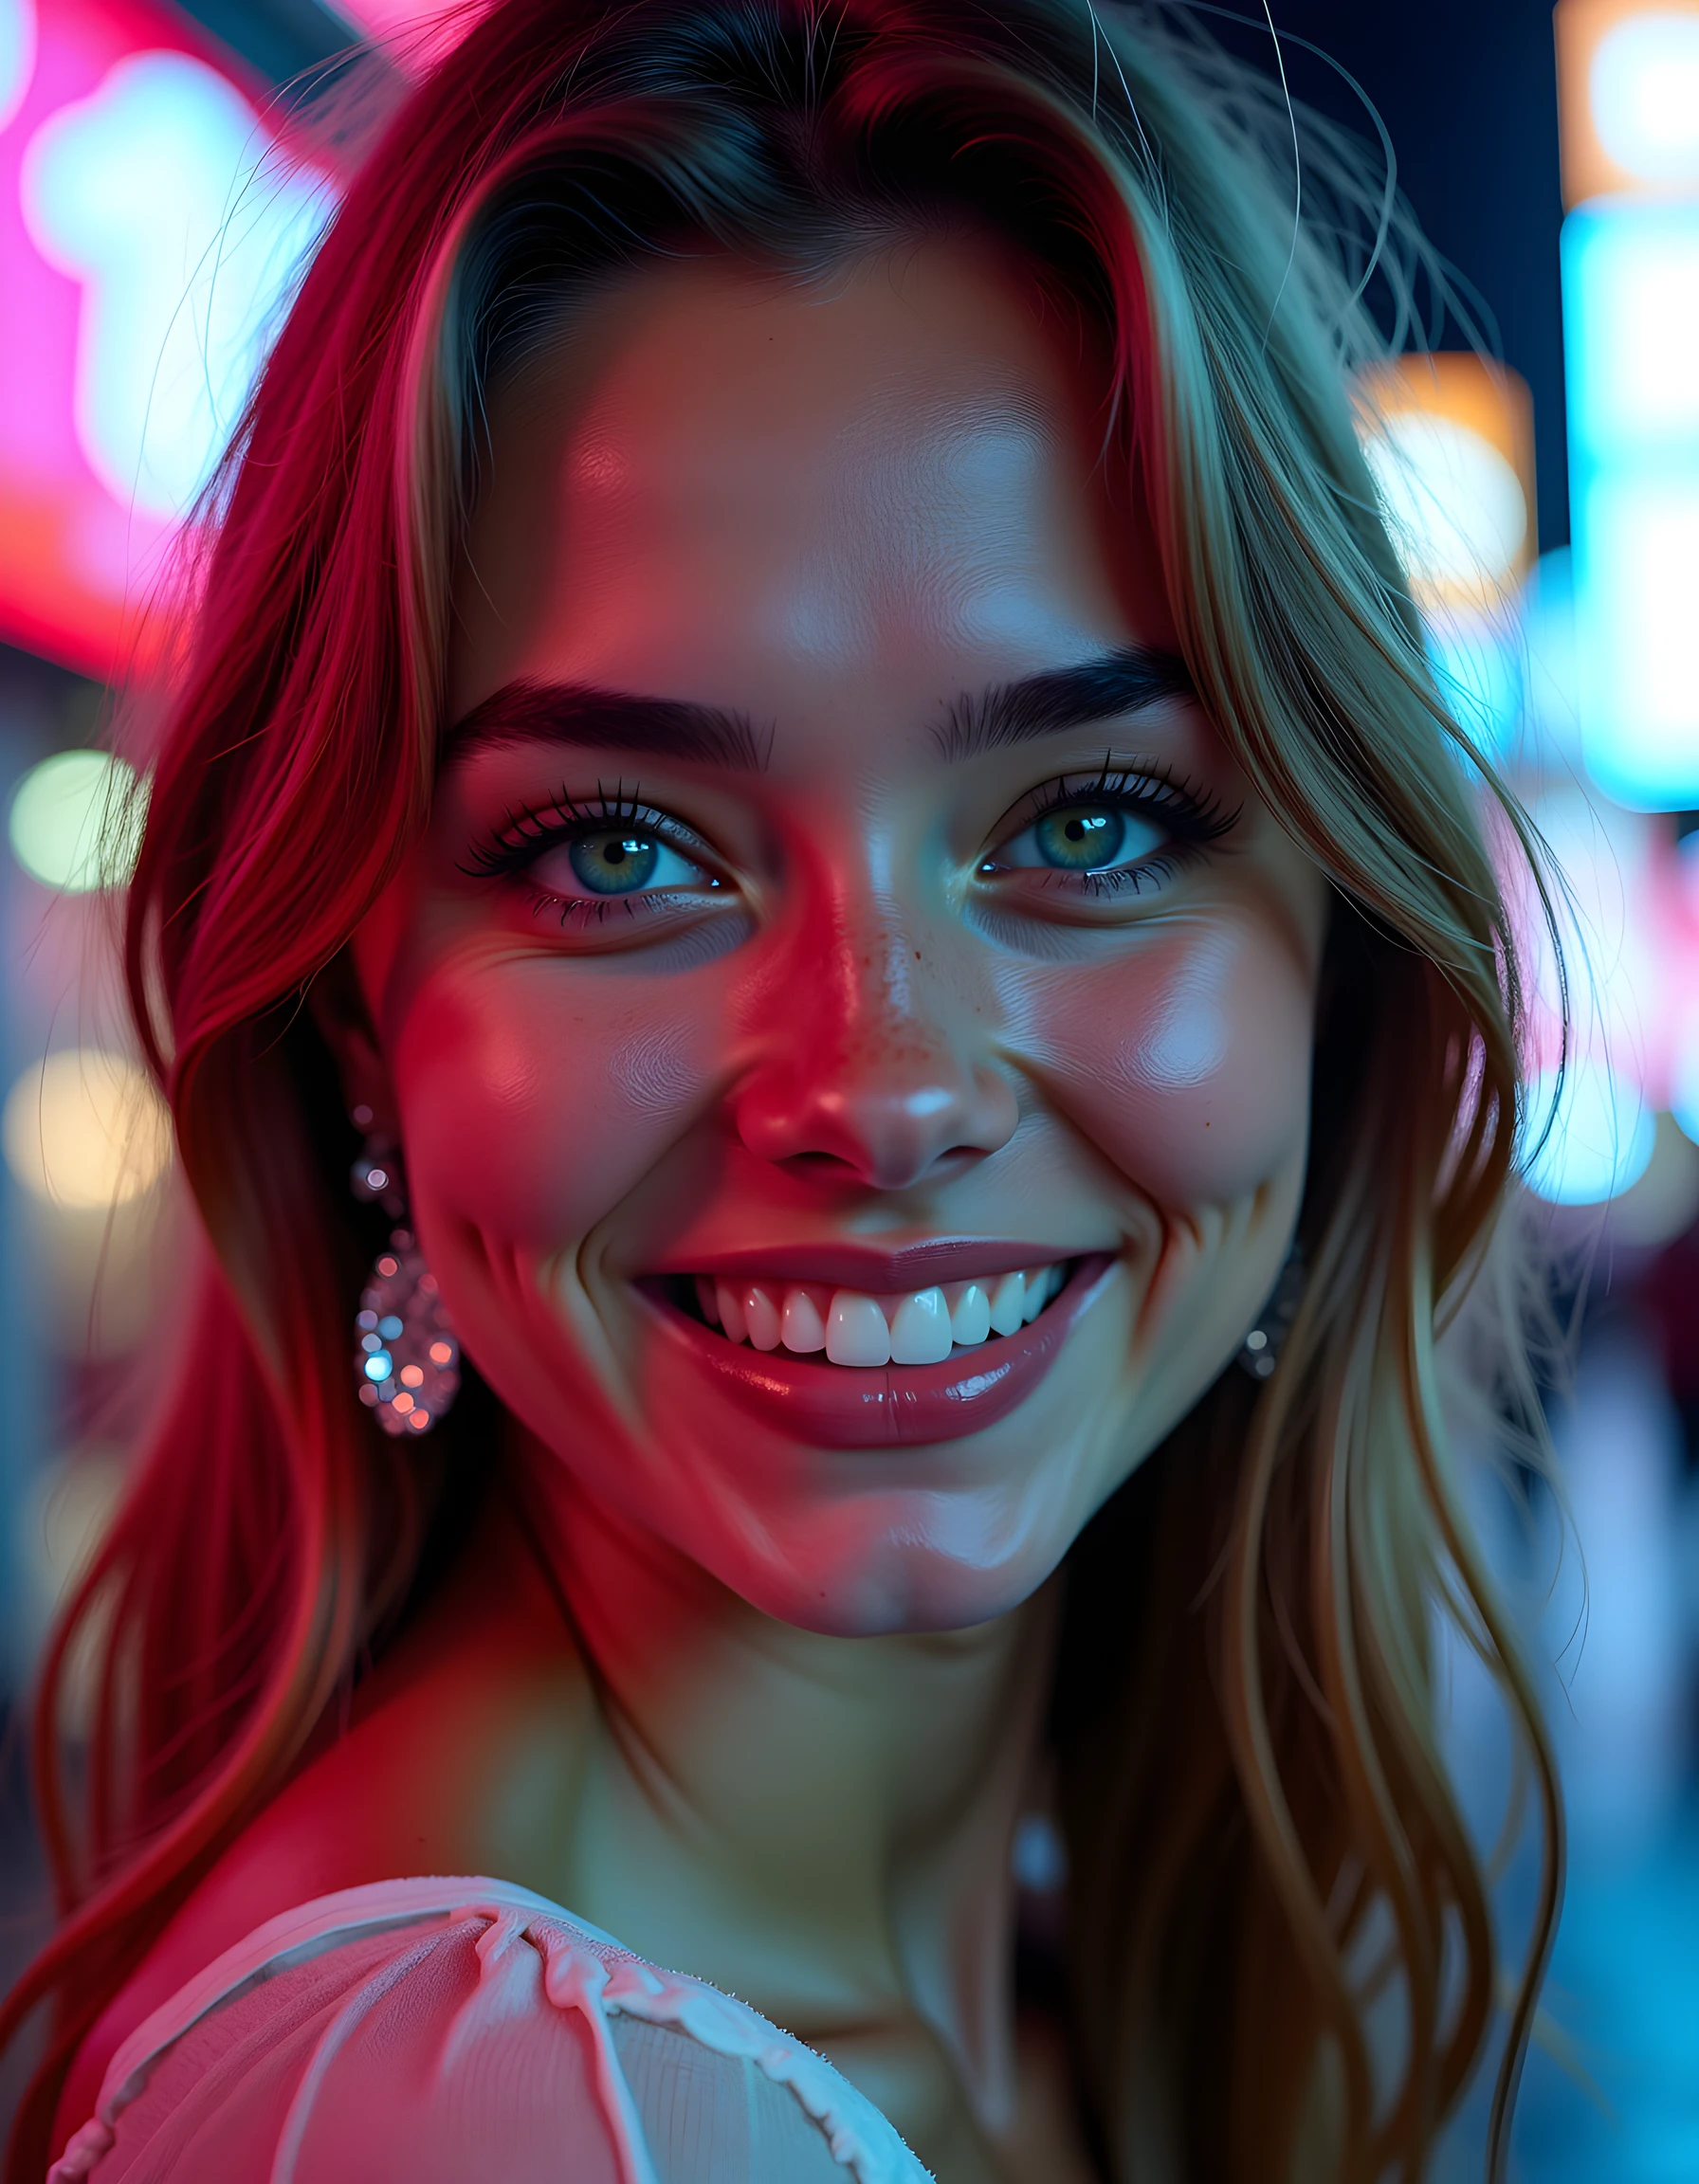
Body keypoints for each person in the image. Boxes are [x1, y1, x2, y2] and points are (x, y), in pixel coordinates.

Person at [2, 2, 1562, 2177]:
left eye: (1093, 822)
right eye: (619, 849)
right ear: (357, 1023)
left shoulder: (1060, 1942)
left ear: (1333, 959)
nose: (884, 1084)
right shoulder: (474, 2117)